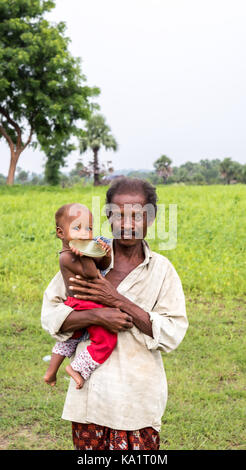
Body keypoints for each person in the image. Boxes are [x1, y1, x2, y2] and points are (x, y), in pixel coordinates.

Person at [41, 177, 188, 451]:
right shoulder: (85, 259)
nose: (128, 224)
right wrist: (97, 317)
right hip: (90, 402)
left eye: (137, 216)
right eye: (118, 215)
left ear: (151, 219)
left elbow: (171, 334)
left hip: (138, 403)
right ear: (108, 216)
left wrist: (115, 300)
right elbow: (51, 316)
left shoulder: (161, 271)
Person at [44, 203, 115, 389]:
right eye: (77, 228)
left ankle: (50, 373)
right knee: (107, 338)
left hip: (84, 302)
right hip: (82, 303)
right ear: (61, 233)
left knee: (71, 339)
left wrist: (105, 253)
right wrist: (85, 256)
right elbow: (92, 274)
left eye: (89, 228)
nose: (85, 233)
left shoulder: (85, 250)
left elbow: (102, 265)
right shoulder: (67, 257)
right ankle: (78, 368)